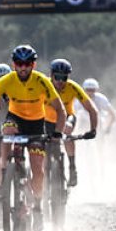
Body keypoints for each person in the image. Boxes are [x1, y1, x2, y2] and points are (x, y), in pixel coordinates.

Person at [0, 45, 66, 231]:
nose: (23, 67)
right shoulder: (7, 80)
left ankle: (37, 206)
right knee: (7, 130)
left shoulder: (41, 81)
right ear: (14, 64)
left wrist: (57, 133)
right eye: (19, 63)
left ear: (33, 64)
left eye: (27, 63)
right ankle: (5, 172)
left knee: (38, 169)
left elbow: (60, 110)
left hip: (36, 124)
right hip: (15, 119)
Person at [42, 59, 98, 187]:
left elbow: (92, 109)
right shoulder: (43, 85)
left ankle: (72, 166)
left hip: (67, 117)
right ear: (51, 75)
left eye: (64, 78)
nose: (60, 81)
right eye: (57, 77)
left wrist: (93, 130)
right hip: (46, 120)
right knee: (44, 153)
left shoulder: (72, 87)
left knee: (67, 132)